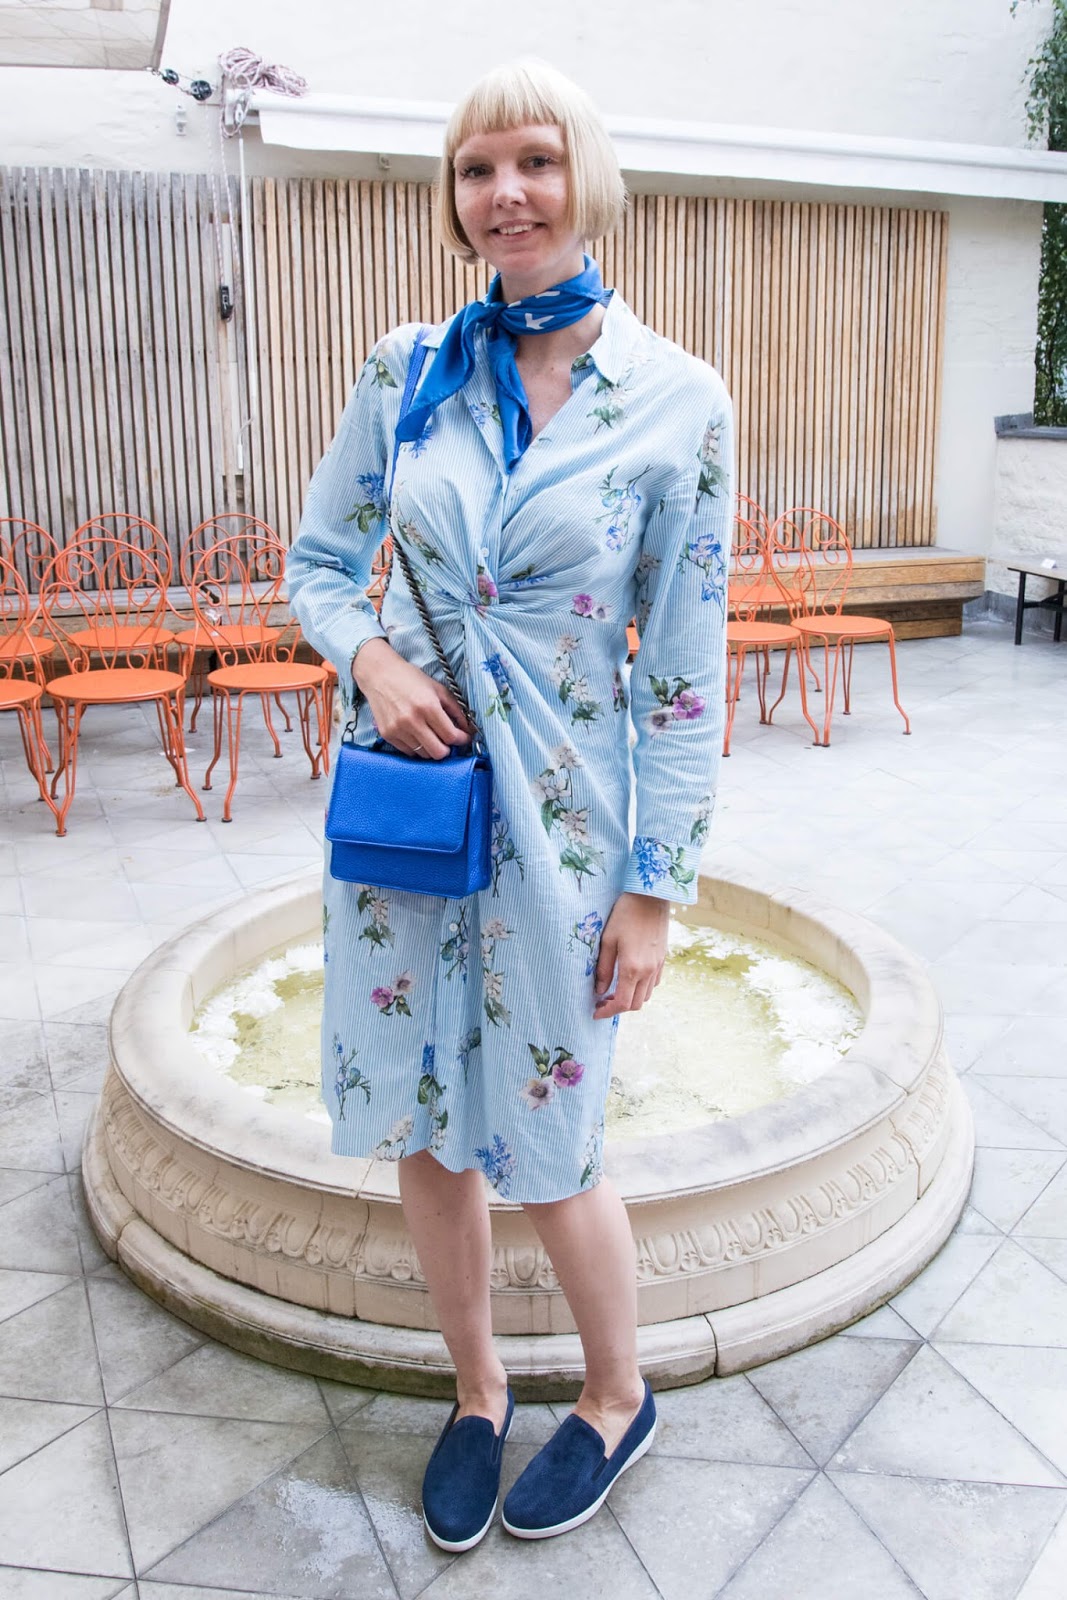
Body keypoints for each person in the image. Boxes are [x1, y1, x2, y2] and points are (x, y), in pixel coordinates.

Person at [287, 57, 731, 1550]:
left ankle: (615, 1394)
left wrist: (655, 889)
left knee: (557, 1132)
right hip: (408, 812)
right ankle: (476, 1392)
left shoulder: (677, 402)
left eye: (534, 160)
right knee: (426, 1121)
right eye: (477, 169)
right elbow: (318, 563)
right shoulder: (405, 370)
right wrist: (370, 661)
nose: (506, 194)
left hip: (565, 831)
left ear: (585, 176)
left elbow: (684, 673)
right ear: (453, 197)